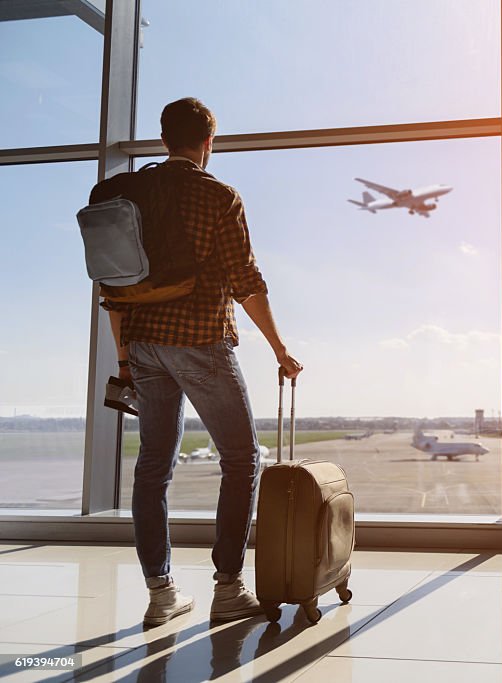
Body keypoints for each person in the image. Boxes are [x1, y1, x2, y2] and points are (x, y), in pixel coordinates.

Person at [102, 97, 302, 626]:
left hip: (143, 345)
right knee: (241, 459)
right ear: (208, 142)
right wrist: (279, 348)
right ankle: (229, 586)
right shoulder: (218, 196)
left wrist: (125, 358)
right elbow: (246, 282)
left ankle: (161, 592)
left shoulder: (130, 194)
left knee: (153, 467)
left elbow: (113, 289)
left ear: (164, 138)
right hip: (199, 341)